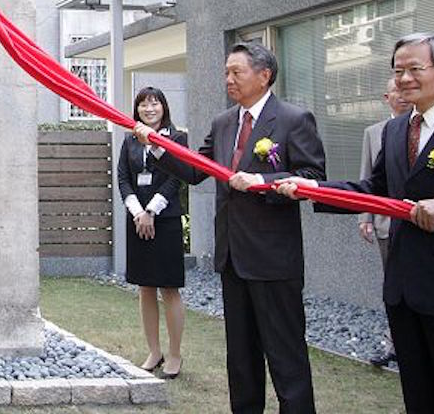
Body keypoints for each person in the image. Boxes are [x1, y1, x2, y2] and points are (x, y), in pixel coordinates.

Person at [277, 33, 434, 414]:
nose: (404, 79)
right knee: (418, 395)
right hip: (402, 287)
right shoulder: (394, 130)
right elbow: (373, 191)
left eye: (414, 69)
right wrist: (314, 188)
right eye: (398, 71)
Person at [135, 41, 326, 414]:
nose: (228, 79)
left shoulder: (293, 119)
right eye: (226, 72)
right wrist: (157, 147)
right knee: (241, 358)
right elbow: (195, 170)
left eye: (236, 72)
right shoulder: (224, 123)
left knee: (286, 358)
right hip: (233, 257)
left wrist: (262, 182)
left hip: (273, 260)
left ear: (264, 75)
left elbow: (312, 176)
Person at [117, 86, 188, 379]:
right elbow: (123, 178)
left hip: (165, 219)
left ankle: (174, 354)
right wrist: (137, 212)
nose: (149, 109)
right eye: (143, 104)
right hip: (137, 221)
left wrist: (151, 211)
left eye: (154, 103)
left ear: (164, 107)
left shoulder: (178, 138)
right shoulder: (130, 139)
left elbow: (176, 177)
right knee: (145, 287)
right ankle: (154, 351)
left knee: (168, 288)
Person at [359, 75, 411, 367]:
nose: (402, 96)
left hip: (423, 224)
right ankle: (394, 342)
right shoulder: (375, 132)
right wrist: (365, 216)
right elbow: (368, 179)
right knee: (392, 283)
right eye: (396, 91)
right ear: (386, 97)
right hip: (385, 223)